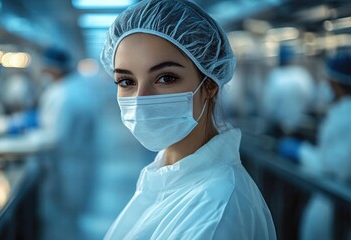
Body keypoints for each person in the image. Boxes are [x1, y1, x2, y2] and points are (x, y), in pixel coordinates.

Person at [99, 0, 276, 239]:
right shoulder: (168, 174)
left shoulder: (217, 210)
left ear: (210, 84)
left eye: (166, 78)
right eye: (126, 81)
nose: (141, 99)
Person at [279, 51, 351, 240]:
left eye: (328, 81)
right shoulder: (341, 112)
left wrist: (301, 152)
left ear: (335, 83)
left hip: (336, 205)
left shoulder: (345, 117)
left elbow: (333, 170)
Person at [29, 48, 97, 240]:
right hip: (75, 162)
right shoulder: (74, 88)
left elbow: (56, 137)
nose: (44, 73)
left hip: (66, 166)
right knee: (69, 219)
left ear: (55, 69)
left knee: (61, 222)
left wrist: (25, 139)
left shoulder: (64, 95)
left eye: (46, 69)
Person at [262, 44, 315, 138]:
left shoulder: (276, 76)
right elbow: (310, 99)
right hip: (301, 126)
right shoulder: (302, 74)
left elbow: (269, 106)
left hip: (280, 128)